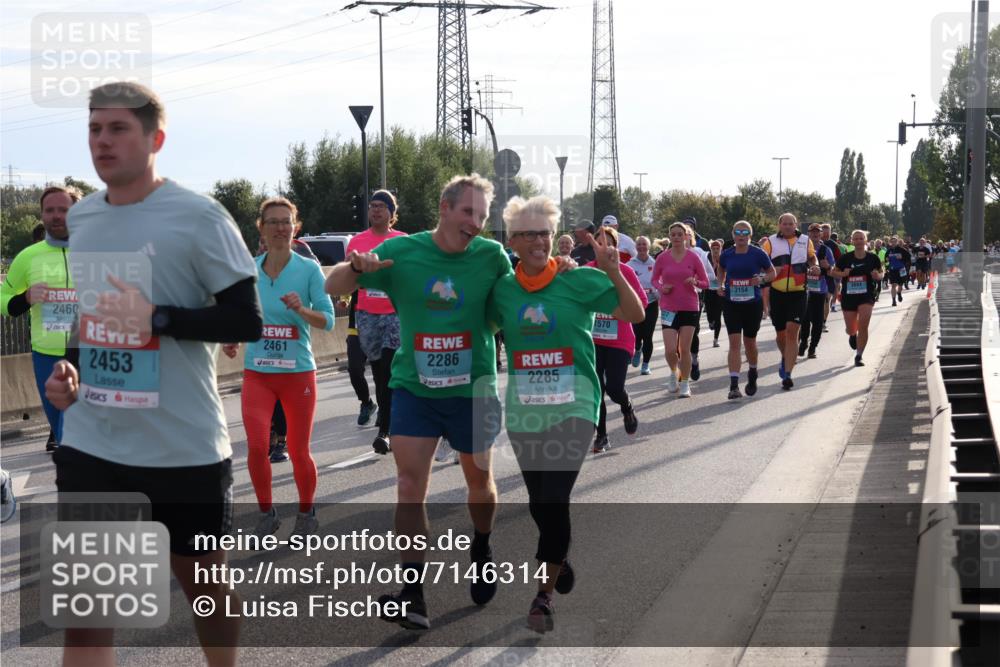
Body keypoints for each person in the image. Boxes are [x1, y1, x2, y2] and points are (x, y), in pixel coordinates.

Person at [45, 81, 261, 667]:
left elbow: (247, 320)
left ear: (154, 138)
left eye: (118, 129)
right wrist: (69, 370)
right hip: (93, 445)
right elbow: (91, 318)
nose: (102, 141)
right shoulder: (83, 218)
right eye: (94, 129)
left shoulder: (199, 217)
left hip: (181, 449)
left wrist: (159, 318)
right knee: (88, 620)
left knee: (206, 594)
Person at [325, 173, 511, 631]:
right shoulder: (402, 252)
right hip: (414, 387)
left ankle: (482, 546)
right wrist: (357, 268)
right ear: (445, 209)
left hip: (472, 387)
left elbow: (521, 294)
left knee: (479, 482)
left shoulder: (491, 256)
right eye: (468, 212)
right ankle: (413, 592)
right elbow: (334, 286)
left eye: (482, 217)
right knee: (410, 485)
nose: (475, 224)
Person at [488, 195, 643, 633]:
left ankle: (543, 597)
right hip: (525, 411)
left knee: (554, 498)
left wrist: (611, 268)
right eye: (528, 233)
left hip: (575, 407)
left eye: (544, 232)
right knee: (540, 504)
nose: (538, 240)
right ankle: (560, 555)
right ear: (513, 240)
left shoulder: (578, 280)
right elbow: (475, 326)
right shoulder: (503, 290)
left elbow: (635, 312)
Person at [223, 197, 334, 539]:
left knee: (299, 451)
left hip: (297, 374)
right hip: (258, 373)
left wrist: (302, 310)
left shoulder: (309, 270)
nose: (280, 228)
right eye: (273, 222)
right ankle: (266, 513)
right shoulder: (250, 270)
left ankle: (305, 512)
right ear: (261, 229)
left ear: (295, 228)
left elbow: (328, 321)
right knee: (257, 447)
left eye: (286, 221)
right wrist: (234, 339)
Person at [1, 185, 82, 452]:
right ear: (42, 215)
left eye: (64, 209)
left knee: (76, 437)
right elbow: (3, 300)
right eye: (50, 210)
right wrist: (25, 298)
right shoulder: (28, 257)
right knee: (63, 432)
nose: (56, 216)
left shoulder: (98, 252)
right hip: (47, 357)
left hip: (92, 354)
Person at [345, 190, 407, 455]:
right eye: (372, 206)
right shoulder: (357, 241)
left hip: (395, 314)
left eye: (381, 206)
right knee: (380, 372)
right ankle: (386, 418)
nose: (376, 210)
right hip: (367, 315)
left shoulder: (404, 241)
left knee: (391, 369)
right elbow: (350, 277)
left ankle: (385, 431)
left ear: (392, 213)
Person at [585, 226, 646, 453]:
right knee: (596, 389)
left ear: (615, 247)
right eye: (598, 241)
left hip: (619, 339)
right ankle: (601, 436)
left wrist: (616, 309)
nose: (603, 245)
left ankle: (626, 406)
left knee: (614, 387)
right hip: (592, 340)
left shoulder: (625, 272)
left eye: (608, 242)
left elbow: (642, 303)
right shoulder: (586, 271)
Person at [716, 221, 775, 399]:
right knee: (734, 343)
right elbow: (721, 270)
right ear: (733, 235)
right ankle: (734, 385)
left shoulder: (758, 253)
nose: (741, 235)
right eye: (737, 232)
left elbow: (772, 273)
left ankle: (753, 372)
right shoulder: (727, 254)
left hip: (752, 303)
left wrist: (762, 279)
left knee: (750, 342)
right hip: (731, 303)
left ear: (750, 235)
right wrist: (720, 284)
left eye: (745, 232)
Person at [652, 222, 710, 398]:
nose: (676, 237)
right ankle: (673, 372)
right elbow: (654, 279)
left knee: (685, 349)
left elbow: (706, 282)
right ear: (670, 237)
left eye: (680, 234)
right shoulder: (662, 257)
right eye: (673, 235)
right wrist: (662, 288)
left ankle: (685, 383)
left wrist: (695, 282)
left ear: (686, 236)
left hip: (689, 306)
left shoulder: (693, 257)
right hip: (669, 307)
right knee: (670, 350)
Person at [760, 213, 817, 390]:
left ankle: (788, 374)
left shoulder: (805, 240)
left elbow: (811, 257)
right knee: (781, 334)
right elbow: (762, 262)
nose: (787, 226)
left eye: (790, 223)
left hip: (798, 292)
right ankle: (786, 356)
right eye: (784, 223)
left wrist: (814, 265)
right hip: (777, 293)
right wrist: (768, 271)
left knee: (793, 331)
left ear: (795, 224)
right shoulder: (770, 241)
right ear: (779, 225)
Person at [831, 229, 883, 367]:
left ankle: (859, 355)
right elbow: (833, 272)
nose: (859, 241)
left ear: (865, 241)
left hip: (866, 295)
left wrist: (878, 276)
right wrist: (843, 274)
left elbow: (881, 272)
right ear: (852, 241)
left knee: (863, 324)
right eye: (856, 239)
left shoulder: (873, 258)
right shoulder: (845, 258)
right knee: (851, 328)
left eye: (861, 238)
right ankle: (852, 335)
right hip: (849, 296)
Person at [684, 225, 717, 381]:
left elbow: (710, 276)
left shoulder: (700, 254)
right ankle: (678, 369)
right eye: (675, 235)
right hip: (671, 301)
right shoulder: (667, 255)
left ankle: (694, 359)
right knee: (674, 333)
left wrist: (696, 281)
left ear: (690, 237)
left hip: (693, 297)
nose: (679, 238)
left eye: (683, 235)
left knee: (692, 331)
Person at [799, 224, 834, 359]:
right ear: (808, 234)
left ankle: (813, 347)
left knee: (818, 321)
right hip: (803, 289)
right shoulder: (802, 249)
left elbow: (833, 271)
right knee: (804, 319)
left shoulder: (826, 250)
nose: (815, 234)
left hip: (819, 290)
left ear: (821, 234)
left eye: (817, 232)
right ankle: (803, 343)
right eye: (812, 232)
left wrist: (828, 266)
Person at [627, 235, 658, 375]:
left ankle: (646, 364)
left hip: (651, 303)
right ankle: (637, 349)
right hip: (635, 304)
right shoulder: (630, 264)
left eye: (644, 244)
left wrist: (654, 291)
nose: (641, 247)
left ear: (648, 246)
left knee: (648, 335)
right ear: (635, 247)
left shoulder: (655, 263)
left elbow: (660, 282)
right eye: (638, 244)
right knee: (636, 335)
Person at [704, 239, 724, 348]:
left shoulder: (723, 260)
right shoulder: (707, 260)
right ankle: (710, 322)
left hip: (719, 291)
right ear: (711, 249)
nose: (716, 251)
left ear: (721, 249)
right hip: (709, 289)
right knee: (709, 313)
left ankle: (716, 339)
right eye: (714, 249)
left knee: (718, 316)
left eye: (718, 249)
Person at [820, 223, 841, 319]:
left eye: (827, 233)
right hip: (815, 276)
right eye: (824, 232)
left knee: (826, 299)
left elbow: (839, 260)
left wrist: (834, 270)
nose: (825, 235)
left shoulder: (833, 245)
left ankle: (823, 322)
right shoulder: (812, 243)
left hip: (829, 275)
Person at [885, 236, 912, 306]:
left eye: (895, 241)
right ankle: (893, 301)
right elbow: (886, 259)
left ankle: (899, 293)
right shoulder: (889, 251)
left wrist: (902, 258)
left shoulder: (901, 250)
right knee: (893, 285)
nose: (893, 243)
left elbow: (908, 257)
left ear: (897, 242)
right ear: (890, 243)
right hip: (892, 270)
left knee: (900, 284)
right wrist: (887, 260)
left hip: (901, 269)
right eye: (892, 242)